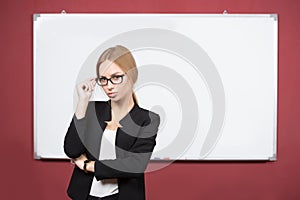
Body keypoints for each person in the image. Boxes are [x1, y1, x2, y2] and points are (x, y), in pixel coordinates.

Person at [64, 45, 160, 200]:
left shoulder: (147, 119)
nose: (109, 85)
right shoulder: (91, 109)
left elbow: (135, 165)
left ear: (132, 75)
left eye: (116, 77)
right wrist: (83, 102)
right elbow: (72, 150)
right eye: (103, 79)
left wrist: (88, 165)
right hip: (84, 196)